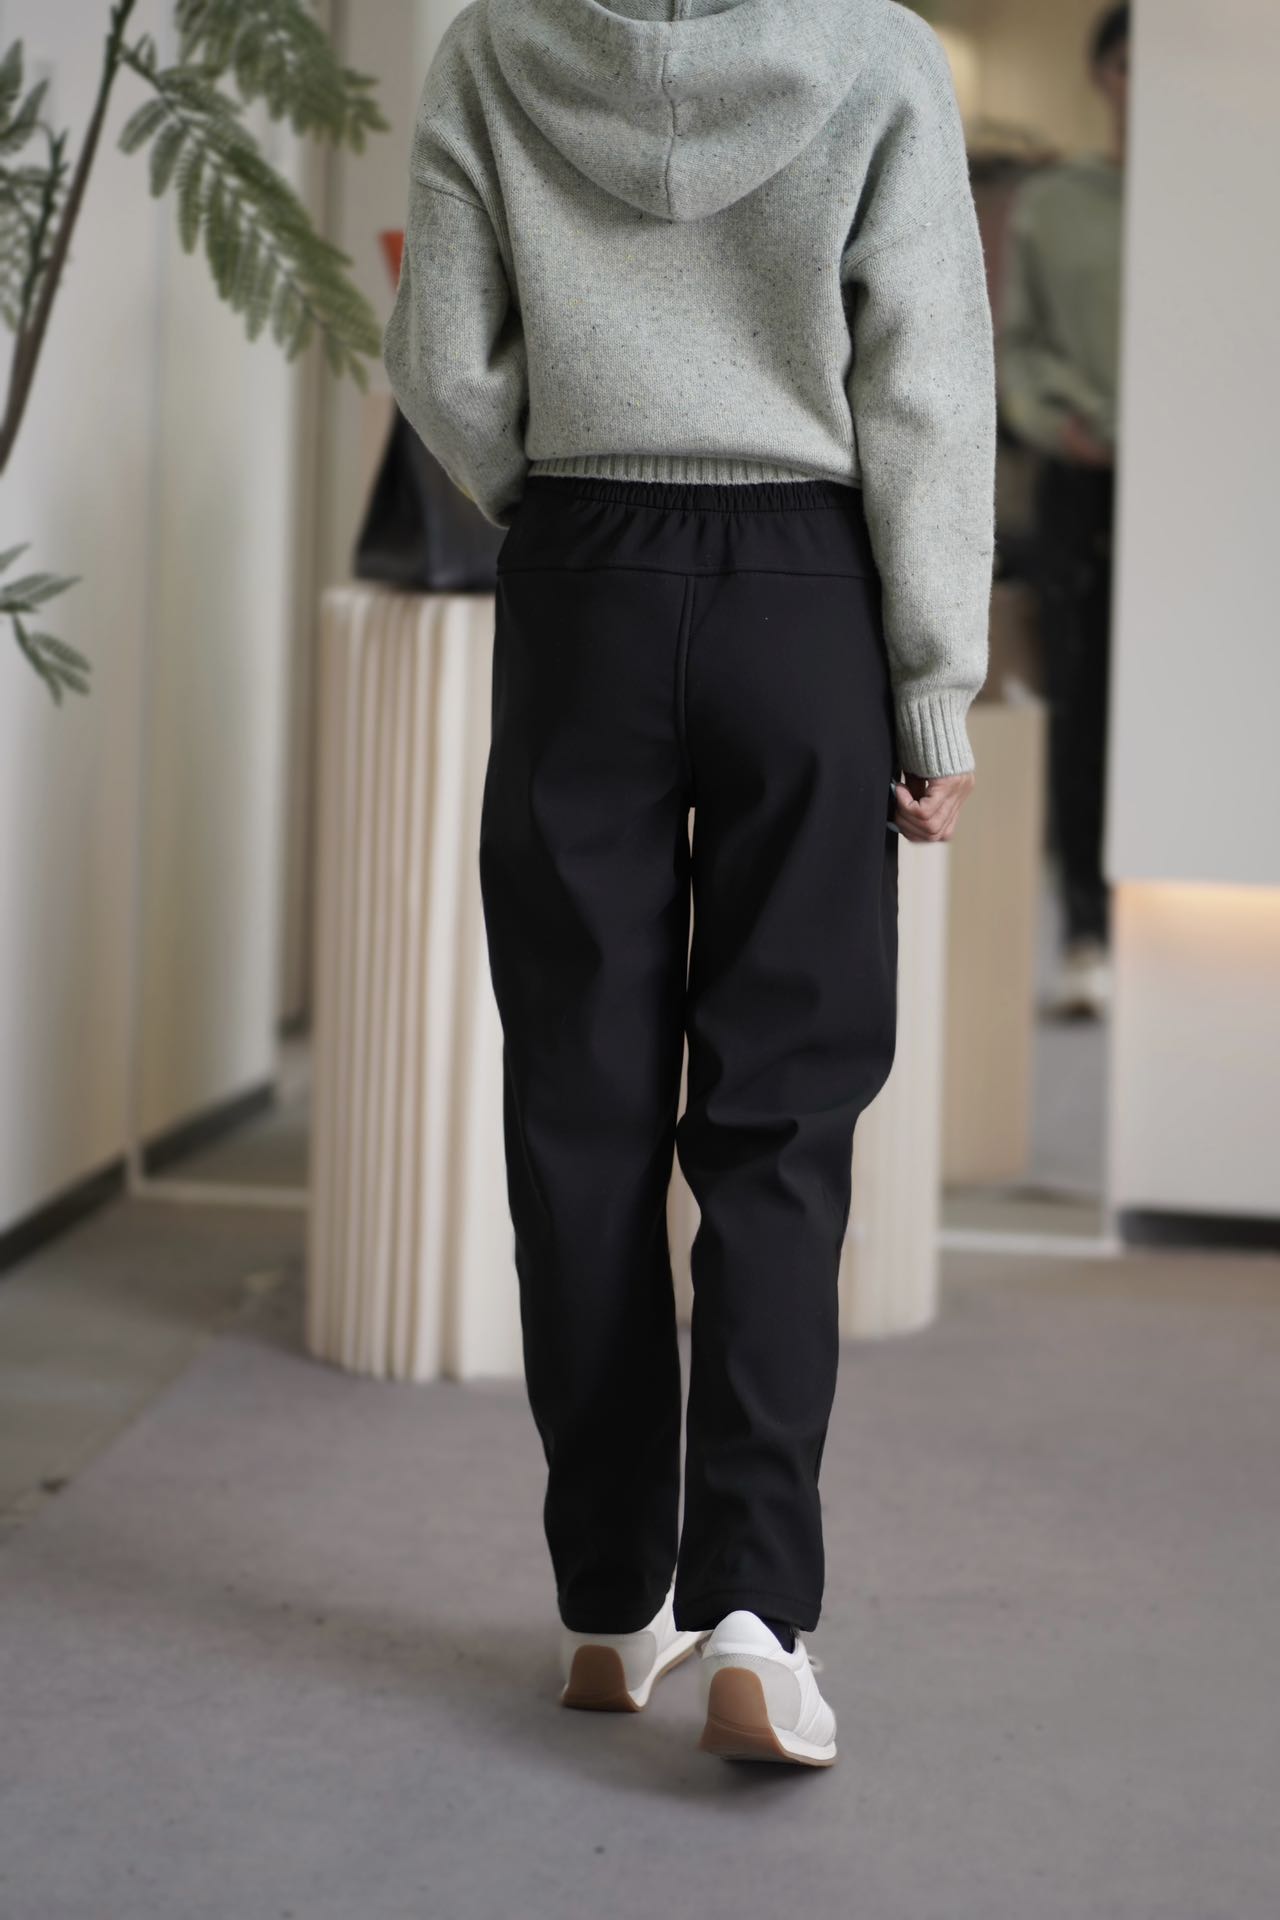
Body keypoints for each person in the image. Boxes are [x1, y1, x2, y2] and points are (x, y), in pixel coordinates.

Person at [385, 0, 995, 1770]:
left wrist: (563, 506)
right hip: (805, 593)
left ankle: (606, 1599)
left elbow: (442, 353)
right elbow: (923, 382)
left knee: (577, 1106)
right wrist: (934, 684)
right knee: (781, 1120)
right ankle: (757, 1615)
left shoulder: (494, 43)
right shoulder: (876, 51)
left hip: (582, 571)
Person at [999, 3, 1128, 1019]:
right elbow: (1018, 342)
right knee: (1082, 702)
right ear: (1101, 76)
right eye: (1127, 67)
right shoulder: (1056, 203)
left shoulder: (1230, 192)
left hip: (1199, 490)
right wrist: (1060, 420)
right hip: (1084, 473)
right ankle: (1087, 930)